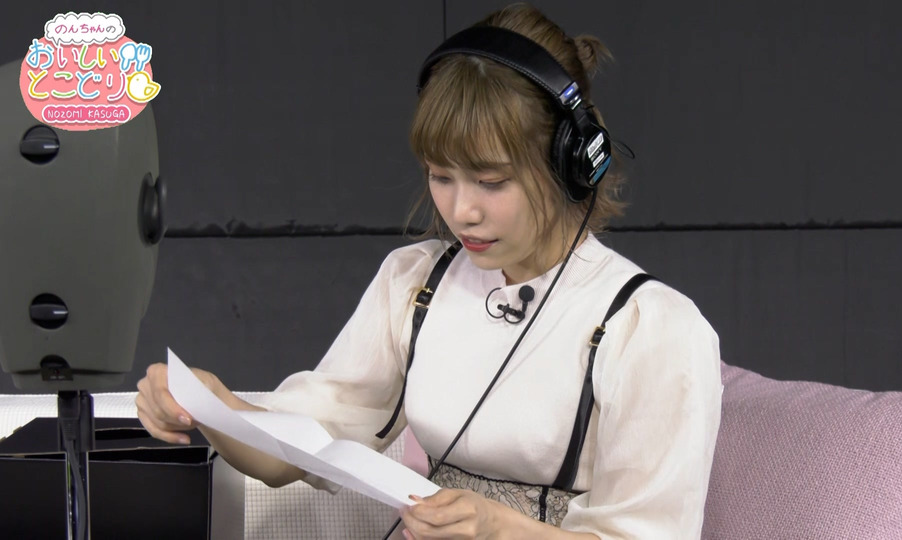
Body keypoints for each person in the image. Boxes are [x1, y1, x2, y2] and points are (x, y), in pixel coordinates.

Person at [136, 4, 723, 538]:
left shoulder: (651, 329)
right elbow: (297, 450)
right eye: (441, 177)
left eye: (491, 181)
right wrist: (210, 407)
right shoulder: (416, 282)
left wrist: (497, 529)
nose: (461, 211)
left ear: (572, 164)